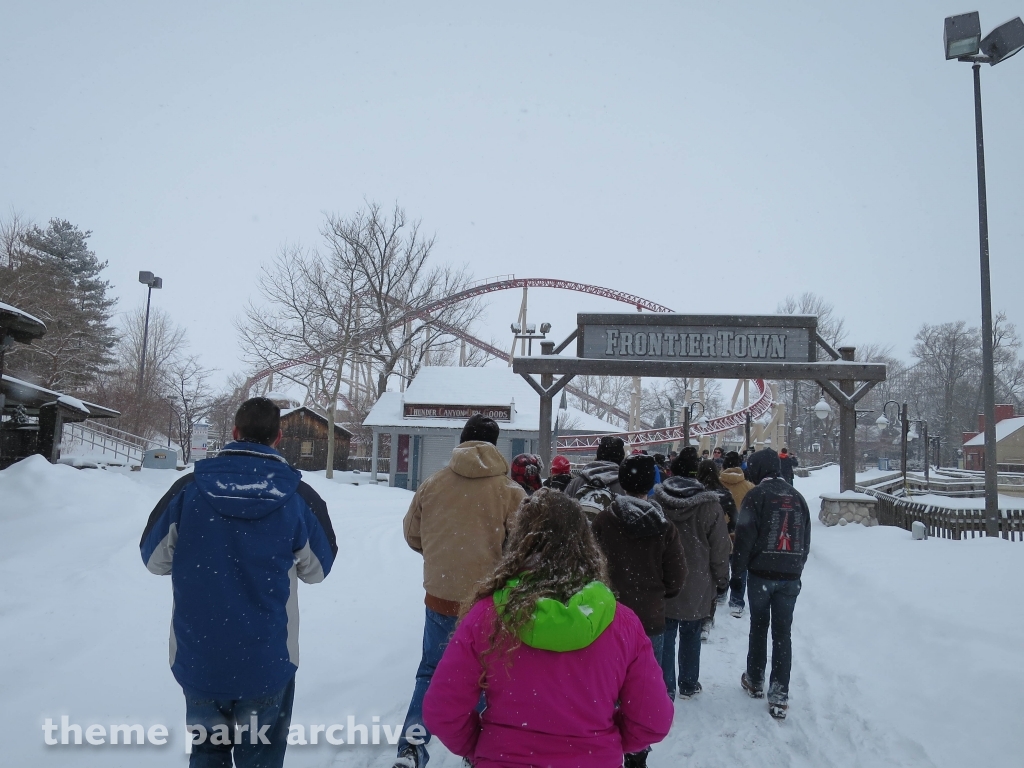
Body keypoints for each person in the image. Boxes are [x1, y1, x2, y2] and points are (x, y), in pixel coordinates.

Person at [140, 397, 337, 768]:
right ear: (278, 437)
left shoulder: (187, 490)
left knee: (207, 755)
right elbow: (318, 570)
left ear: (234, 433)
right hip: (266, 660)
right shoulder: (298, 498)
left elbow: (154, 560)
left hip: (200, 658)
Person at [422, 490, 674, 768]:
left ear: (520, 543)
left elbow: (442, 712)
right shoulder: (621, 624)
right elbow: (653, 721)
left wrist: (480, 745)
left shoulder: (488, 617)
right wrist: (603, 742)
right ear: (586, 543)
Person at [396, 414, 526, 767]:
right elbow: (523, 550)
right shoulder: (511, 492)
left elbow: (412, 534)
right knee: (488, 676)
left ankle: (412, 746)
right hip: (489, 603)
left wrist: (441, 555)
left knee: (431, 671)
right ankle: (479, 750)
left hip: (440, 597)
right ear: (495, 445)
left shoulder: (434, 483)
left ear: (462, 439)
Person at [592, 453, 685, 768]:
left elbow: (591, 568)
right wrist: (659, 594)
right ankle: (637, 753)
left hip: (608, 616)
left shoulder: (604, 520)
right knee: (643, 688)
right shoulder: (664, 526)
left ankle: (605, 743)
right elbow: (676, 577)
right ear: (652, 483)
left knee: (606, 685)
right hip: (650, 618)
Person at [733, 448, 812, 721]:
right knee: (783, 634)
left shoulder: (755, 496)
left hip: (761, 574)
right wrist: (796, 566)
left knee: (758, 626)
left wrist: (737, 575)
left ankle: (755, 679)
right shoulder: (796, 496)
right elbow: (806, 538)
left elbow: (744, 539)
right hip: (789, 576)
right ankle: (779, 693)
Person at [655, 471, 731, 700]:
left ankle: (665, 686)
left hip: (665, 576)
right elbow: (720, 549)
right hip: (697, 579)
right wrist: (721, 580)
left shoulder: (657, 504)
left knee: (666, 634)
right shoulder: (709, 507)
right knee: (691, 632)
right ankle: (688, 683)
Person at [720, 451, 755, 618]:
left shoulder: (718, 484)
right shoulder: (749, 486)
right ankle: (737, 601)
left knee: (720, 564)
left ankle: (720, 593)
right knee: (740, 568)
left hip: (720, 531)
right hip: (742, 531)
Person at [564, 435, 626, 522]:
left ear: (598, 456)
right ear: (621, 459)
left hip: (582, 534)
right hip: (610, 535)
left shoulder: (576, 483)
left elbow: (563, 515)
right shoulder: (626, 486)